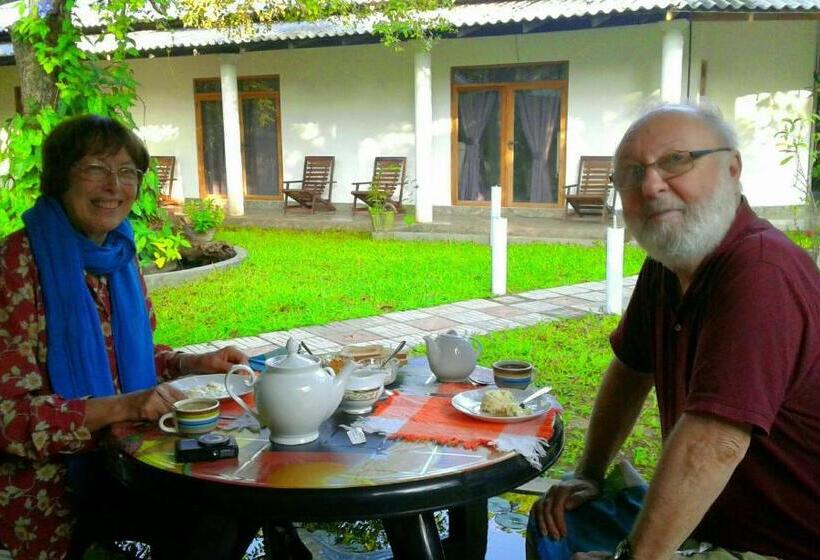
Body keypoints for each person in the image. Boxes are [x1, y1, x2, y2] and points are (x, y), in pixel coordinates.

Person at [528, 104, 819, 559]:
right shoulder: (668, 265)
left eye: (676, 160)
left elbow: (715, 443)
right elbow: (630, 371)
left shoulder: (760, 271)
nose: (651, 185)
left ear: (732, 169)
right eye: (631, 173)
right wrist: (588, 472)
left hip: (781, 545)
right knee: (556, 522)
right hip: (710, 525)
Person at [0, 115, 255, 559]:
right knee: (216, 513)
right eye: (95, 168)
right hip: (47, 490)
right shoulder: (15, 266)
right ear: (60, 177)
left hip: (127, 459)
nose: (114, 185)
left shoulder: (118, 256)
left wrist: (191, 363)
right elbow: (8, 417)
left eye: (127, 172)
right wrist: (125, 405)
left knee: (242, 493)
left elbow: (123, 359)